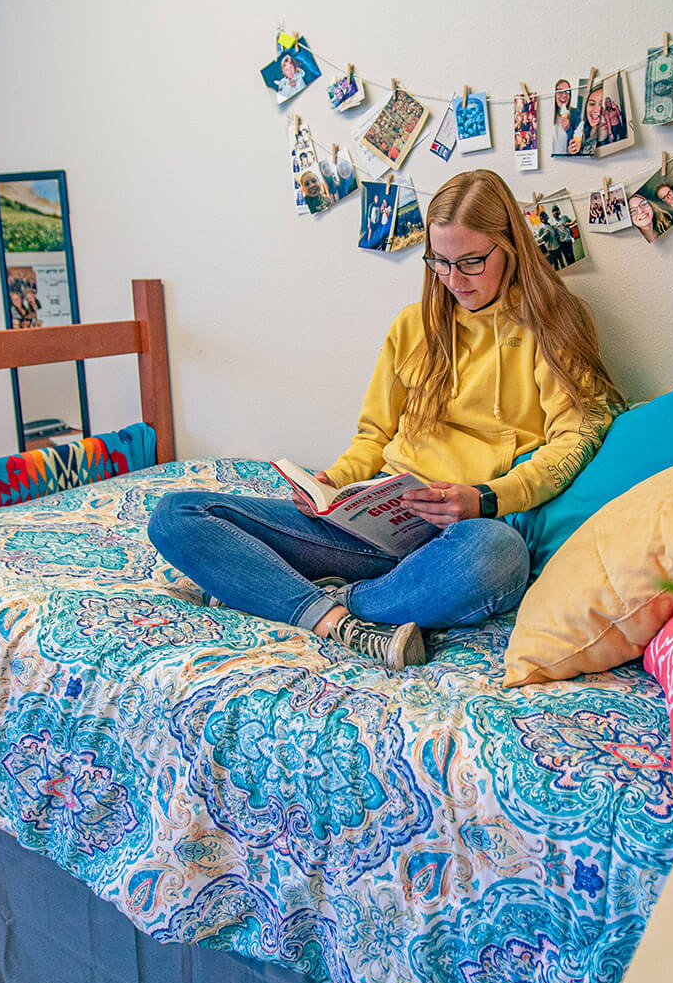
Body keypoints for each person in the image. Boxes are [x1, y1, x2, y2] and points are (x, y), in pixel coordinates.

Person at [151, 170, 621, 667]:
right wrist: (334, 481)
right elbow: (374, 435)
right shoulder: (411, 324)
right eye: (439, 262)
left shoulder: (552, 325)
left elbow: (576, 437)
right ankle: (331, 611)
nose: (453, 280)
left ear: (513, 248)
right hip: (373, 525)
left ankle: (323, 604)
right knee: (177, 515)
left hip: (459, 532)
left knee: (500, 556)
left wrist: (486, 497)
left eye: (471, 262)